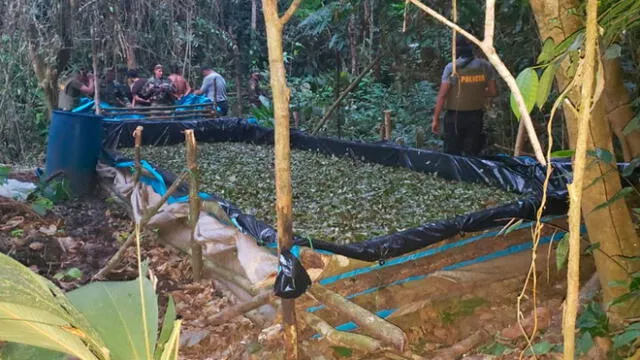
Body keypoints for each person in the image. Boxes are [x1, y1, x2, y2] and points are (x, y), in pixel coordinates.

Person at [431, 34, 497, 156]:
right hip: (476, 116)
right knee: (472, 153)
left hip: (454, 117)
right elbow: (492, 91)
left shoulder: (452, 68)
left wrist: (435, 119)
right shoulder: (485, 66)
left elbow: (442, 95)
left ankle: (452, 175)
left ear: (456, 49)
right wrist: (476, 93)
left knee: (452, 154)